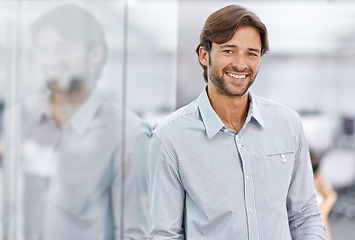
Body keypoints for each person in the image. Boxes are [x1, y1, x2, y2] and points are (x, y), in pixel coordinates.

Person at [149, 4, 326, 239]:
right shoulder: (170, 137)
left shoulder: (287, 124)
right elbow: (164, 234)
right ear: (204, 55)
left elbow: (305, 216)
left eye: (251, 53)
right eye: (229, 50)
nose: (241, 64)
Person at [14, 4, 150, 239]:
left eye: (63, 48)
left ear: (94, 53)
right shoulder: (18, 120)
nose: (51, 60)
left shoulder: (128, 134)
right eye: (43, 50)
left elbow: (135, 234)